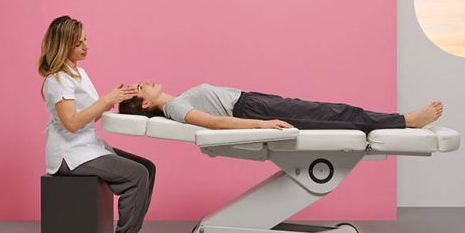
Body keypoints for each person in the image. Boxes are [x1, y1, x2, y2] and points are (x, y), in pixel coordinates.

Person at [38, 16, 163, 233]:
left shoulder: (79, 73)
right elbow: (71, 123)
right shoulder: (57, 80)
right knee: (137, 174)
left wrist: (118, 99)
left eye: (85, 40)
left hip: (87, 145)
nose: (85, 46)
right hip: (69, 154)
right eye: (78, 43)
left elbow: (89, 117)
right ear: (63, 45)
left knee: (147, 167)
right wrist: (107, 100)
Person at [118, 81, 444, 132]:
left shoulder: (176, 101)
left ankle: (403, 120)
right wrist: (263, 124)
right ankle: (406, 121)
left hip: (251, 102)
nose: (145, 81)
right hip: (252, 111)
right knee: (335, 115)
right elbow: (214, 124)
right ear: (146, 103)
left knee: (331, 112)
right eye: (142, 87)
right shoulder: (175, 107)